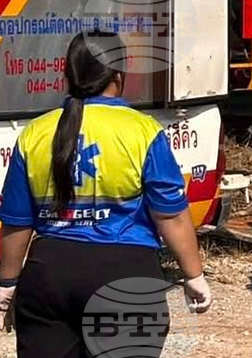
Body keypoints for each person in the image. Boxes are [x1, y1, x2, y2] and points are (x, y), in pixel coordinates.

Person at [0, 32, 212, 357]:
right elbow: (170, 214)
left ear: (68, 75)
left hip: (49, 277)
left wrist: (8, 283)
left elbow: (17, 222)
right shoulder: (143, 131)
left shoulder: (35, 133)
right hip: (127, 276)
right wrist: (193, 275)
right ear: (118, 75)